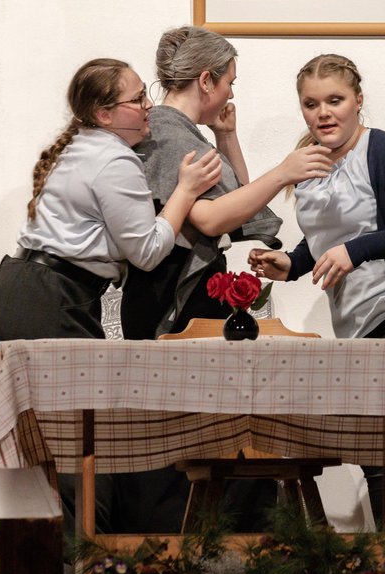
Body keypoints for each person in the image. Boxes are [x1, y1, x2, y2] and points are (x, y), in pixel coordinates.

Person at [249, 53, 385, 526]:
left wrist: (357, 251)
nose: (323, 113)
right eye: (311, 104)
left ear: (358, 100)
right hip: (355, 325)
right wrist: (292, 263)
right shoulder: (311, 162)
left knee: (381, 453)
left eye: (335, 100)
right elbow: (332, 236)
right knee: (384, 456)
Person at [0, 57, 220, 351]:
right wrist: (186, 190)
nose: (149, 105)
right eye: (137, 99)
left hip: (13, 293)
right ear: (104, 114)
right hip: (50, 304)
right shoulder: (115, 159)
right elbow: (148, 252)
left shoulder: (80, 143)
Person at [121, 26, 332, 339]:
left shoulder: (175, 131)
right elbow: (210, 219)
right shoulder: (170, 136)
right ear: (206, 81)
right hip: (171, 296)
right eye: (229, 83)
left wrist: (226, 136)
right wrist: (282, 173)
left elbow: (239, 200)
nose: (231, 94)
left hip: (173, 291)